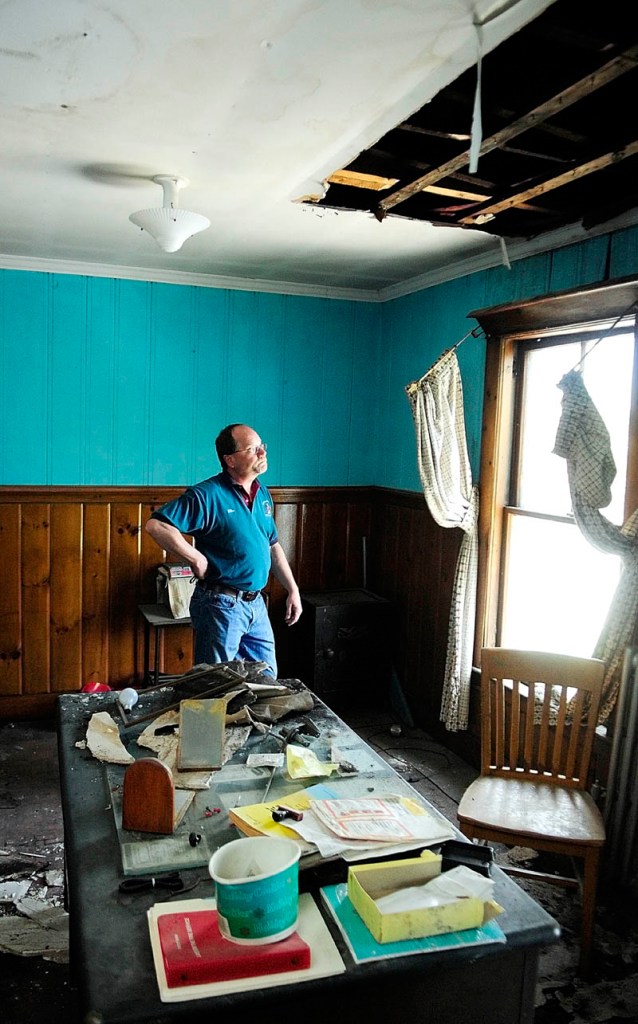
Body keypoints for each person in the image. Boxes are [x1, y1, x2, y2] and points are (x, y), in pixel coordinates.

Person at [145, 423, 302, 678]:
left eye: (262, 447)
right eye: (253, 449)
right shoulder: (207, 495)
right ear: (230, 459)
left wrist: (292, 590)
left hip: (256, 604)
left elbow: (272, 546)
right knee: (216, 684)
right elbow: (156, 525)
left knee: (266, 679)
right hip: (221, 605)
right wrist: (194, 557)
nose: (262, 453)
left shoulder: (261, 493)